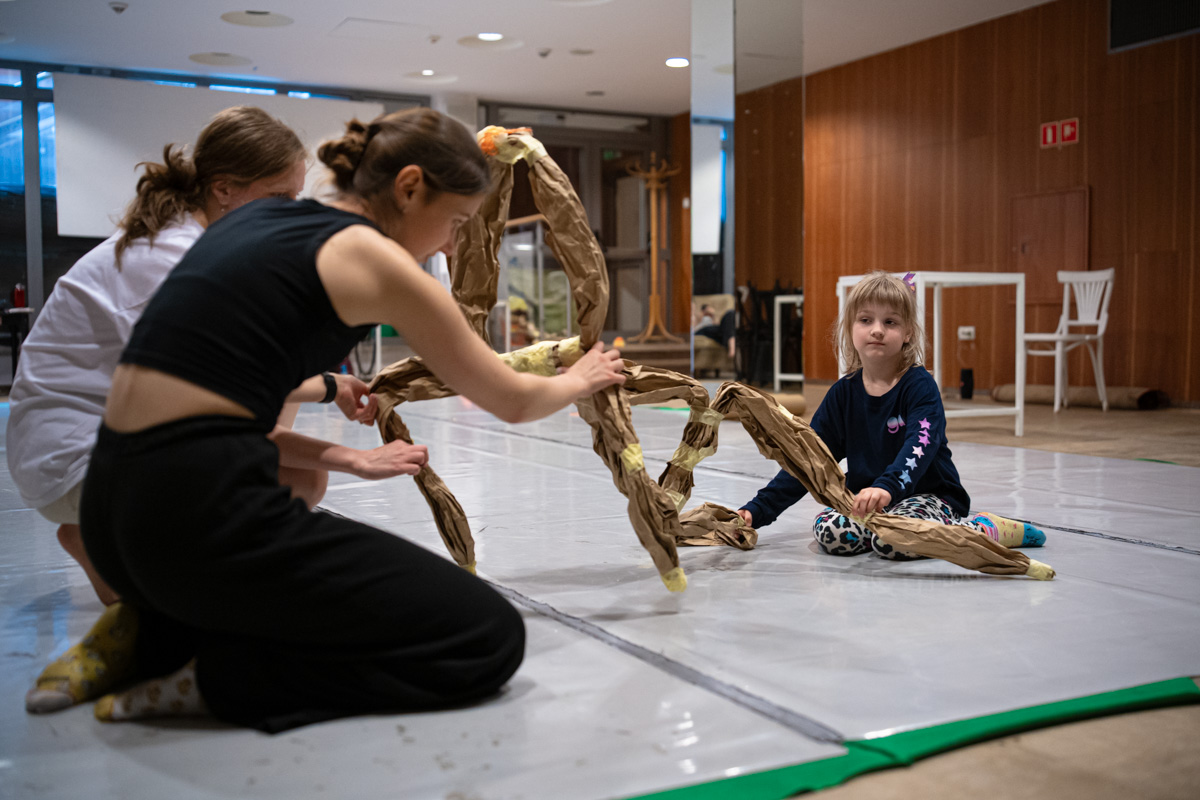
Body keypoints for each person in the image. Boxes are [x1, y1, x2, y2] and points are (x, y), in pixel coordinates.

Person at [53, 107, 624, 733]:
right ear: (410, 187)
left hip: (108, 511)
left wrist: (329, 397)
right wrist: (581, 378)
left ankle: (151, 635)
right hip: (195, 523)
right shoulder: (377, 260)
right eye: (457, 222)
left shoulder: (259, 218)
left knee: (311, 557)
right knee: (485, 637)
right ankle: (220, 679)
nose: (452, 245)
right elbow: (512, 400)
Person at [6, 106, 418, 611]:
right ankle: (111, 541)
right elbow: (225, 398)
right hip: (73, 459)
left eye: (295, 198)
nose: (288, 212)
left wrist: (331, 385)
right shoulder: (173, 261)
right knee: (192, 595)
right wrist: (352, 457)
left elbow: (255, 377)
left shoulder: (197, 244)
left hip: (95, 441)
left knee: (299, 478)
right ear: (223, 189)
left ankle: (118, 545)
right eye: (279, 197)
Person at [736, 271, 1045, 559]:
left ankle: (982, 528)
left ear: (908, 332)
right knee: (832, 533)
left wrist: (887, 487)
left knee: (895, 539)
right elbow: (809, 461)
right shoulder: (843, 394)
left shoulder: (919, 386)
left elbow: (919, 447)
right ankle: (883, 531)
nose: (877, 330)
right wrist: (756, 511)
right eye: (865, 320)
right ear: (851, 328)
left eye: (890, 322)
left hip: (929, 495)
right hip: (868, 498)